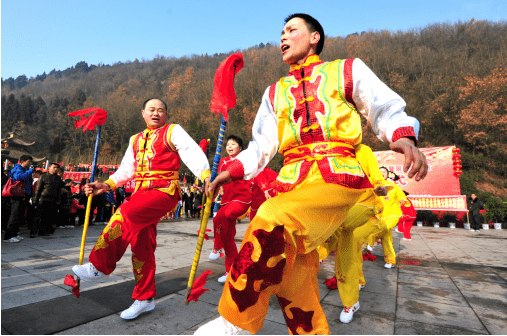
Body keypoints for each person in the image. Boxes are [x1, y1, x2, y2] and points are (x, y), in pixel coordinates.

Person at [196, 13, 427, 335]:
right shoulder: (274, 91)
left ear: (315, 36)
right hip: (292, 181)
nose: (282, 38)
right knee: (294, 277)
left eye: (291, 30)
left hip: (337, 176)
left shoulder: (345, 70)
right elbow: (262, 145)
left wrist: (401, 136)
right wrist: (231, 171)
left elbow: (383, 107)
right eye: (281, 33)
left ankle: (236, 319)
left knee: (271, 217)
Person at [71, 98, 211, 320]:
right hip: (140, 193)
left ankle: (99, 265)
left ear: (166, 115)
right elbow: (127, 169)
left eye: (161, 110)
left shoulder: (172, 131)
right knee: (141, 244)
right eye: (151, 110)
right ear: (143, 113)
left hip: (164, 191)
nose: (156, 113)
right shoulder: (135, 139)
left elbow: (190, 151)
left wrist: (204, 175)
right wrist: (106, 185)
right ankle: (145, 298)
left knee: (123, 214)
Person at [209, 135, 252, 284]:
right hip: (227, 200)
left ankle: (217, 247)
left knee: (219, 217)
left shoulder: (245, 159)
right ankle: (232, 271)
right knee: (228, 238)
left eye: (233, 144)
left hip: (241, 199)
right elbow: (217, 179)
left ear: (240, 148)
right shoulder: (222, 162)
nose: (230, 146)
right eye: (228, 144)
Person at [365, 167, 407, 269]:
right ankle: (391, 260)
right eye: (379, 172)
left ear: (387, 175)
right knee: (386, 238)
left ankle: (371, 240)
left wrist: (402, 200)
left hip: (393, 214)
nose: (382, 173)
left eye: (384, 172)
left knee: (384, 228)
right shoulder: (373, 186)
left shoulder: (393, 187)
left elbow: (402, 196)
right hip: (379, 216)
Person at [3, 155, 34, 242]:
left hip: (22, 194)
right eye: (28, 161)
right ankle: (8, 236)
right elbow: (19, 177)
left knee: (18, 216)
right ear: (22, 161)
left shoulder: (24, 169)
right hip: (16, 195)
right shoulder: (18, 169)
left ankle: (14, 234)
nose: (30, 163)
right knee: (14, 215)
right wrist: (30, 171)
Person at [32, 163, 62, 237]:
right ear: (49, 168)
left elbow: (59, 190)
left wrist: (58, 200)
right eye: (54, 167)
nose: (55, 169)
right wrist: (35, 201)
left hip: (52, 200)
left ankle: (43, 231)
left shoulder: (58, 178)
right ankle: (33, 232)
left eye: (57, 168)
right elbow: (38, 189)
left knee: (48, 217)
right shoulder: (43, 176)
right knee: (38, 217)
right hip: (42, 199)